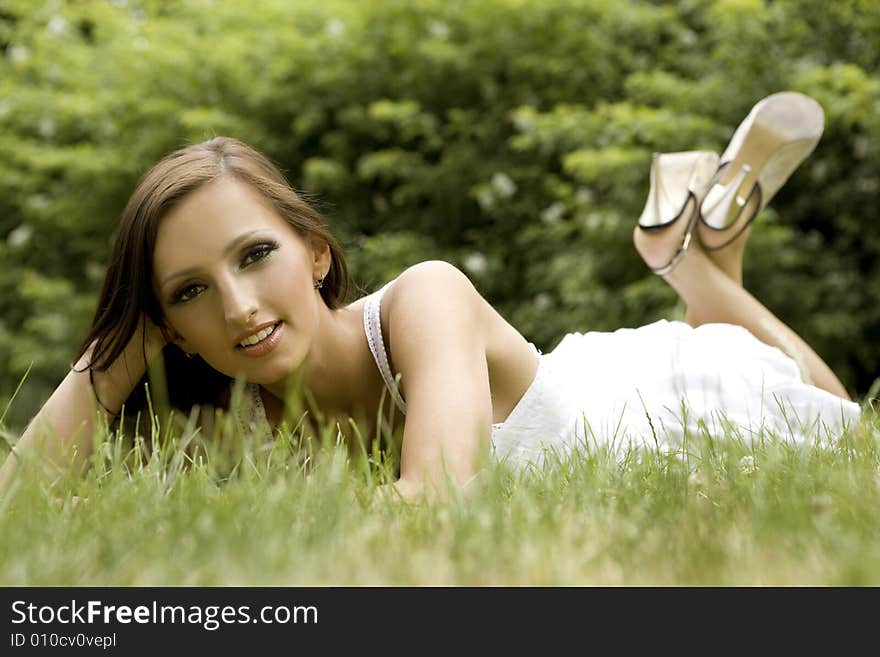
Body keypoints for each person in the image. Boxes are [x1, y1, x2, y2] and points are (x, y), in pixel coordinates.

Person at [0, 92, 863, 503]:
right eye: (190, 292)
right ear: (172, 330)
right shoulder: (234, 425)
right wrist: (106, 365)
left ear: (315, 252)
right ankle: (700, 259)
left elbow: (437, 500)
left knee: (838, 418)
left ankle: (699, 275)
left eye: (255, 254)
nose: (236, 306)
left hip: (642, 402)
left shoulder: (424, 300)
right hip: (576, 385)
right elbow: (20, 520)